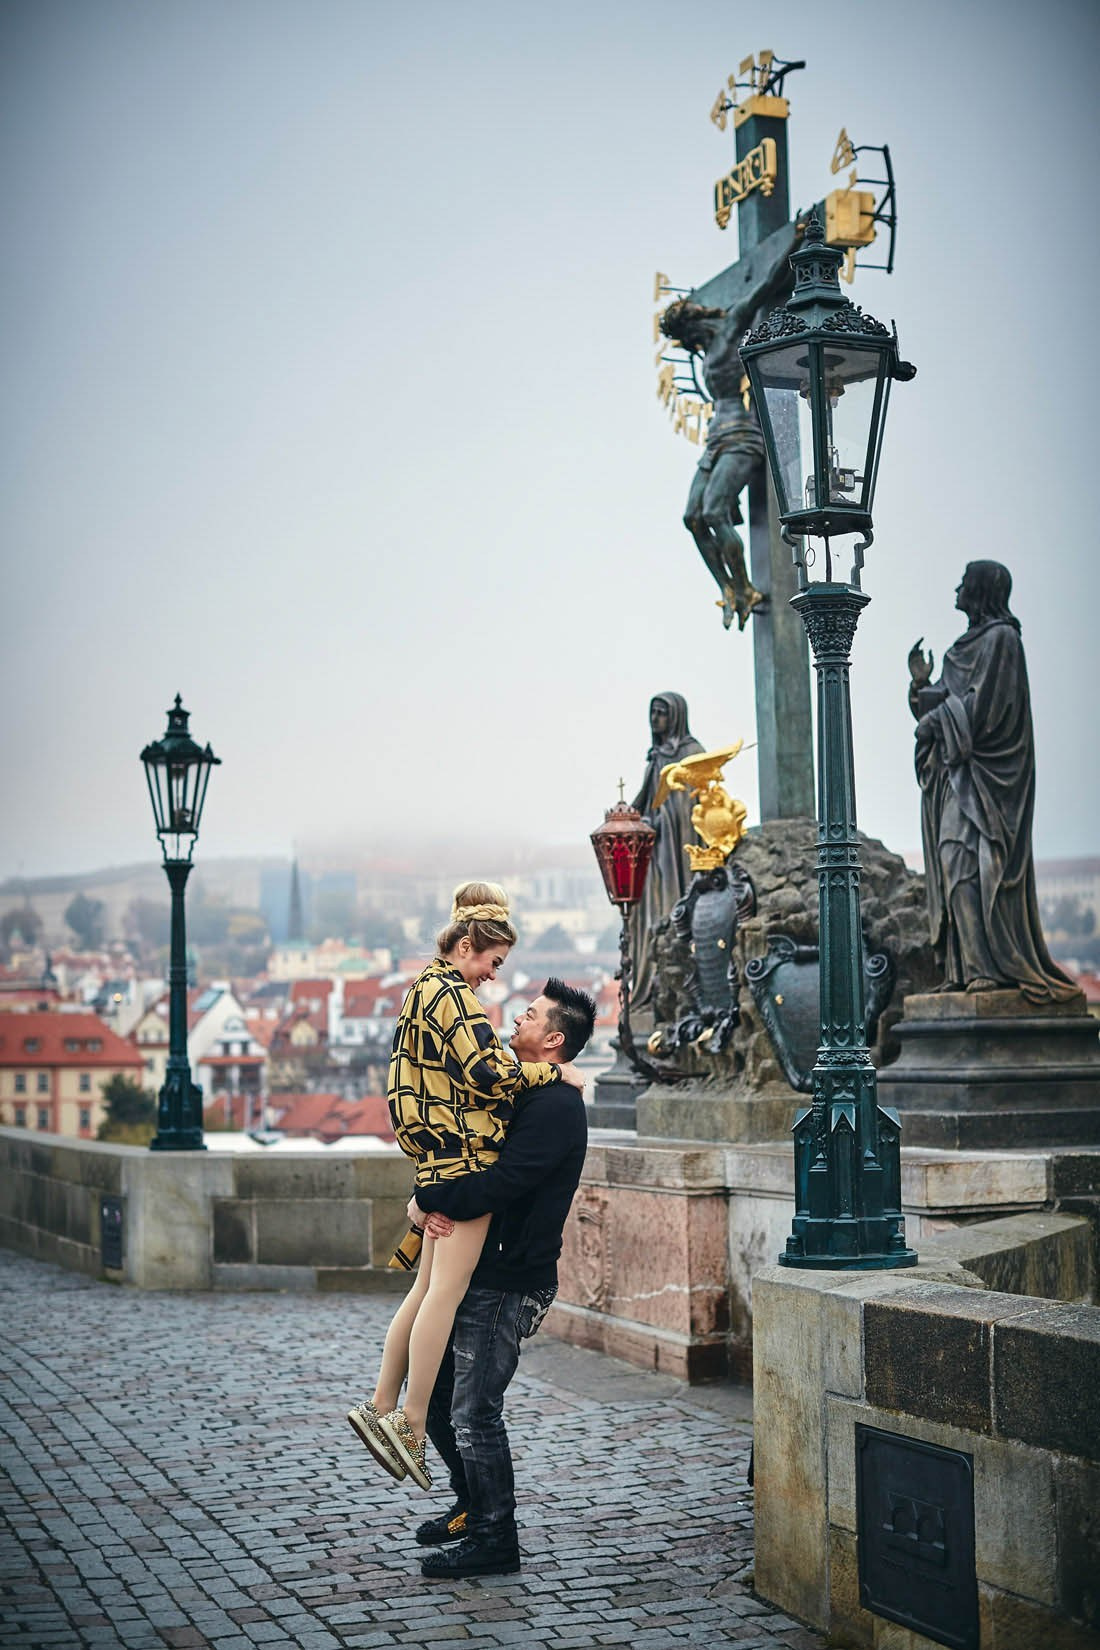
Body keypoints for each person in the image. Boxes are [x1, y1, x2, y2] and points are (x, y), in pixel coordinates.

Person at [345, 884, 583, 1489]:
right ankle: (410, 1423)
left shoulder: (421, 989)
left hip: (438, 1161)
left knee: (424, 1291)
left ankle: (379, 1406)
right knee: (441, 1297)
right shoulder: (453, 997)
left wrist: (428, 1193)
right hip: (462, 1161)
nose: (493, 980)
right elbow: (487, 1074)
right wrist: (556, 1074)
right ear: (469, 945)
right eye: (492, 962)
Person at [406, 976, 597, 1578]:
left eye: (533, 1015)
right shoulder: (533, 1091)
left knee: (474, 1410)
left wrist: (431, 1197)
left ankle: (495, 1538)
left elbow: (503, 1184)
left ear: (555, 1038)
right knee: (439, 1396)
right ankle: (471, 1506)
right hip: (485, 1269)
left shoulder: (556, 1108)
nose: (519, 1018)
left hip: (509, 1277)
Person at [908, 561, 1077, 1003]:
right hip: (957, 777)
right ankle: (965, 967)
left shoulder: (1003, 641)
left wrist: (937, 720)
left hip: (986, 781)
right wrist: (921, 688)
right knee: (952, 865)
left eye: (965, 582)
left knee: (971, 865)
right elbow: (947, 702)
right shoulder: (961, 648)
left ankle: (988, 968)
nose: (958, 588)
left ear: (981, 590)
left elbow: (987, 711)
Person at [660, 221, 798, 631]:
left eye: (687, 339)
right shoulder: (709, 348)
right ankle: (732, 588)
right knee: (692, 517)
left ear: (694, 327)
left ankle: (744, 585)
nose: (690, 347)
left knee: (715, 511)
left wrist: (795, 240)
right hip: (716, 440)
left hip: (742, 436)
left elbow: (764, 286)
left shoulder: (731, 328)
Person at [629, 692, 704, 1014]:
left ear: (675, 716)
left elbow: (690, 806)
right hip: (655, 852)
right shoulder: (656, 756)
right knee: (647, 919)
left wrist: (661, 819)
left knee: (672, 912)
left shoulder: (691, 753)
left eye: (661, 713)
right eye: (652, 713)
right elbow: (646, 800)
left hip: (678, 853)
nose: (654, 719)